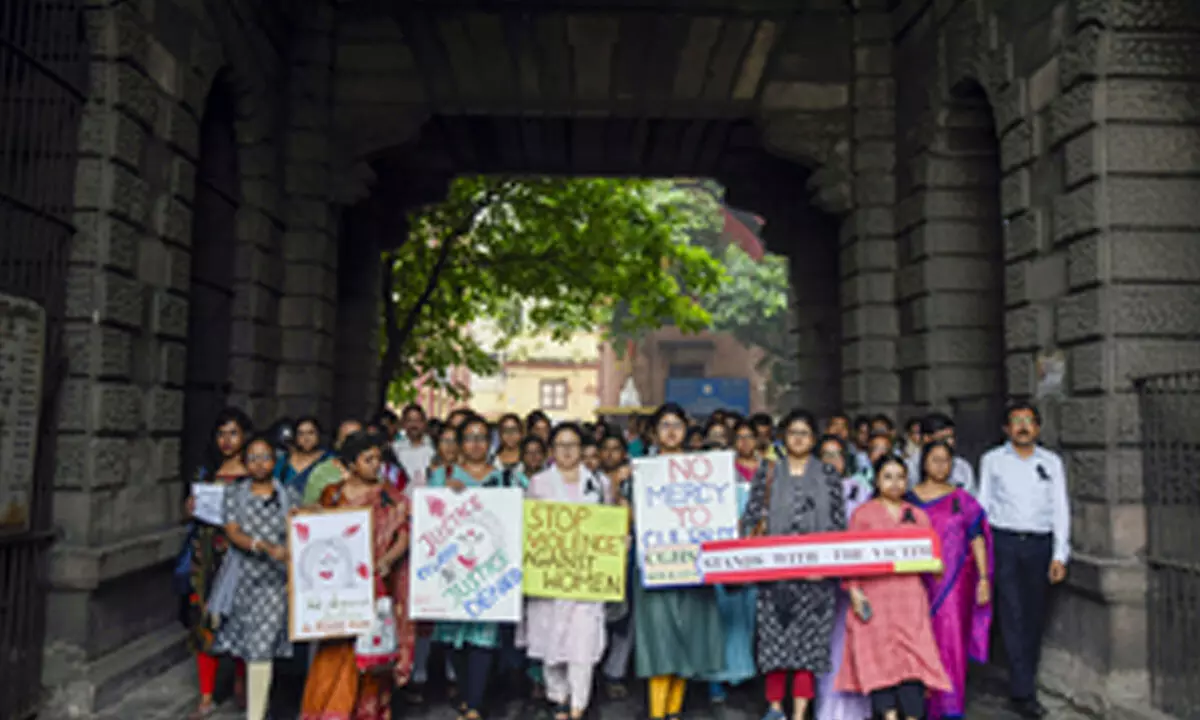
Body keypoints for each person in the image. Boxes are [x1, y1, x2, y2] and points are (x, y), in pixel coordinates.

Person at [300, 431, 413, 719]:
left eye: (378, 459)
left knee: (370, 653)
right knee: (334, 650)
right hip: (338, 589)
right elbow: (319, 531)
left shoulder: (388, 496)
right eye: (368, 459)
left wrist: (387, 560)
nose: (376, 465)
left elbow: (403, 535)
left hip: (374, 586)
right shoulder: (333, 495)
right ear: (351, 464)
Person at [742, 410, 845, 720]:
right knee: (775, 646)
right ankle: (775, 708)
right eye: (792, 433)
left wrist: (829, 563)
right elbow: (751, 516)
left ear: (814, 439)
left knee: (808, 648)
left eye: (805, 433)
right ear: (783, 438)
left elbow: (838, 522)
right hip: (776, 576)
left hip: (817, 577)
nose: (798, 439)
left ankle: (800, 713)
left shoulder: (827, 474)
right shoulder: (769, 471)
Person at [836, 455, 951, 720]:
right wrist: (854, 591)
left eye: (900, 477)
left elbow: (933, 557)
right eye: (888, 477)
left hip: (909, 601)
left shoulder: (918, 516)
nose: (895, 483)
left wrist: (937, 566)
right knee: (879, 661)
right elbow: (850, 557)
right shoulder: (863, 515)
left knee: (914, 662)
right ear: (877, 481)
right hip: (875, 598)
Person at [977, 403, 1069, 719]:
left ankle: (1024, 679)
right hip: (1004, 543)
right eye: (1016, 421)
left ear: (1038, 428)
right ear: (1006, 429)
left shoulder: (1051, 462)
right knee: (1011, 614)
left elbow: (1060, 508)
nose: (1023, 427)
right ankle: (1023, 691)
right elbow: (983, 505)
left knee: (1034, 615)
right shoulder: (992, 460)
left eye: (1029, 421)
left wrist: (1060, 554)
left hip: (1040, 544)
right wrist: (982, 552)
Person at [634, 403, 724, 720]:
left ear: (686, 431)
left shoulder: (703, 471)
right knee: (659, 642)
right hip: (656, 566)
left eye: (677, 425)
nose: (671, 432)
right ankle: (658, 712)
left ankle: (674, 711)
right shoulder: (641, 471)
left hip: (692, 566)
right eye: (664, 425)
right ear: (654, 432)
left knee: (688, 639)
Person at [524, 423, 609, 720]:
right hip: (552, 577)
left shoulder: (597, 483)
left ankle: (578, 704)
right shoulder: (538, 483)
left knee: (582, 643)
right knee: (551, 640)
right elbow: (530, 527)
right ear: (551, 450)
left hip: (586, 578)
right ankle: (558, 697)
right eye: (561, 445)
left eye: (573, 445)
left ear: (582, 449)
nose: (567, 451)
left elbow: (608, 522)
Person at [213, 434, 300, 720]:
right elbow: (233, 532)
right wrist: (260, 545)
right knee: (249, 645)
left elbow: (300, 527)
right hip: (243, 579)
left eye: (265, 457)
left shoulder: (288, 495)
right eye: (252, 458)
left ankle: (255, 714)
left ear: (275, 462)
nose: (259, 464)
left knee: (262, 646)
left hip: (275, 582)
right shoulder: (234, 494)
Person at [907, 440, 993, 720]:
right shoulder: (909, 500)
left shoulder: (962, 499)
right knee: (915, 641)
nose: (941, 466)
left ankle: (950, 707)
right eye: (935, 460)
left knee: (950, 641)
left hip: (954, 585)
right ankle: (916, 706)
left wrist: (983, 578)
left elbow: (977, 538)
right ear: (924, 463)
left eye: (946, 461)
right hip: (915, 582)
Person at [184, 407, 253, 719]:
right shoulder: (207, 472)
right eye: (221, 434)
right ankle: (206, 695)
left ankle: (241, 680)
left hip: (239, 555)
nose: (227, 440)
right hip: (206, 556)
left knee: (240, 619)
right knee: (203, 619)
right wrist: (190, 507)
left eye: (233, 433)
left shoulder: (253, 473)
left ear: (245, 436)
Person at [705, 421, 762, 713]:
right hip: (718, 555)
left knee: (746, 618)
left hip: (749, 553)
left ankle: (741, 674)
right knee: (720, 618)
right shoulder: (715, 478)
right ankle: (715, 679)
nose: (745, 443)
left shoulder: (763, 474)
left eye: (750, 437)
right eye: (739, 438)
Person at [814, 434, 871, 720]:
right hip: (819, 579)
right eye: (826, 455)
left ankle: (856, 710)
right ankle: (827, 707)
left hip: (853, 578)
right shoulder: (809, 491)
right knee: (824, 644)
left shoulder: (860, 491)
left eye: (837, 455)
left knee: (849, 640)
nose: (832, 461)